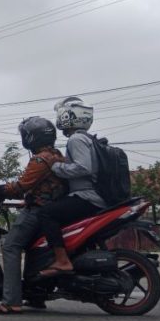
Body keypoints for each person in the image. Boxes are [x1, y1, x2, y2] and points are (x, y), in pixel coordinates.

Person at [0, 116, 67, 315]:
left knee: (10, 246)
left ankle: (11, 301)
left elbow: (20, 187)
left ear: (31, 138)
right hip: (49, 208)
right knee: (31, 248)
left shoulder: (40, 160)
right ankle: (36, 295)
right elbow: (44, 187)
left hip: (38, 212)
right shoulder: (57, 155)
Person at [37, 96, 107, 277]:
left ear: (70, 116)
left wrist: (56, 166)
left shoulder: (76, 139)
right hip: (94, 196)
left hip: (86, 196)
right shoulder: (89, 138)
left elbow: (83, 167)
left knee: (47, 213)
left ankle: (62, 260)